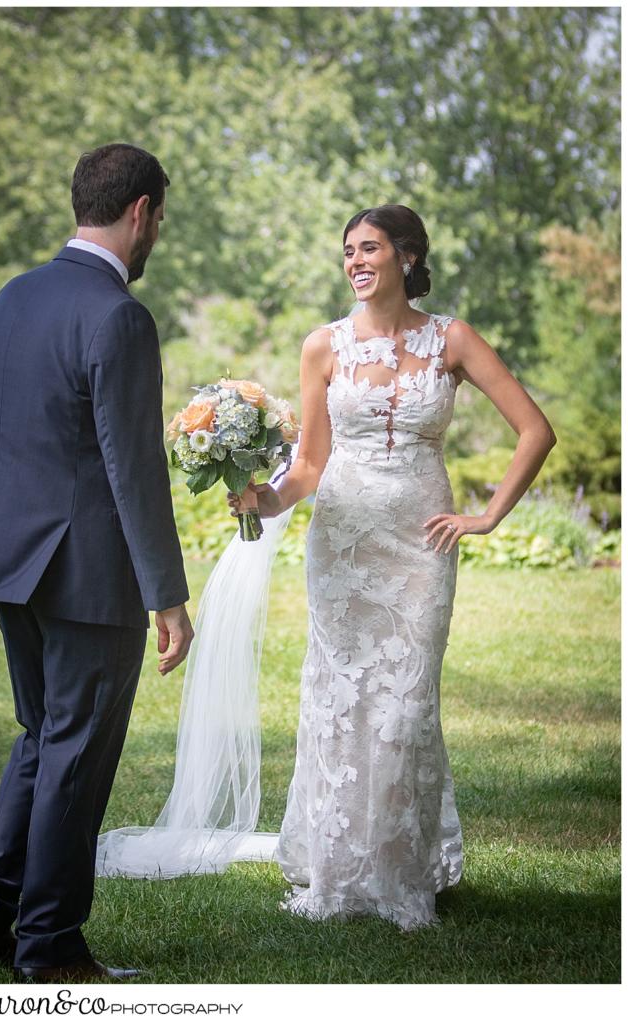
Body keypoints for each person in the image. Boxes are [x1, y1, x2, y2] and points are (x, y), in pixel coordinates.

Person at [229, 204, 557, 929]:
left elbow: (535, 429)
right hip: (342, 541)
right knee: (340, 699)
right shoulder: (323, 347)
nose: (354, 261)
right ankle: (337, 874)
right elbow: (308, 464)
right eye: (347, 250)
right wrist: (265, 497)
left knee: (406, 705)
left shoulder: (454, 338)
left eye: (369, 248)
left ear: (406, 257)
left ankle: (401, 875)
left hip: (420, 544)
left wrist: (487, 513)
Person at [0, 143, 194, 980]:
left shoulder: (11, 297)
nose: (156, 234)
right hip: (87, 573)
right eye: (160, 218)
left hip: (7, 557)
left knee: (41, 738)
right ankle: (50, 945)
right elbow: (131, 467)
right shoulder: (117, 316)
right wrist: (166, 596)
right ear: (140, 210)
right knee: (74, 749)